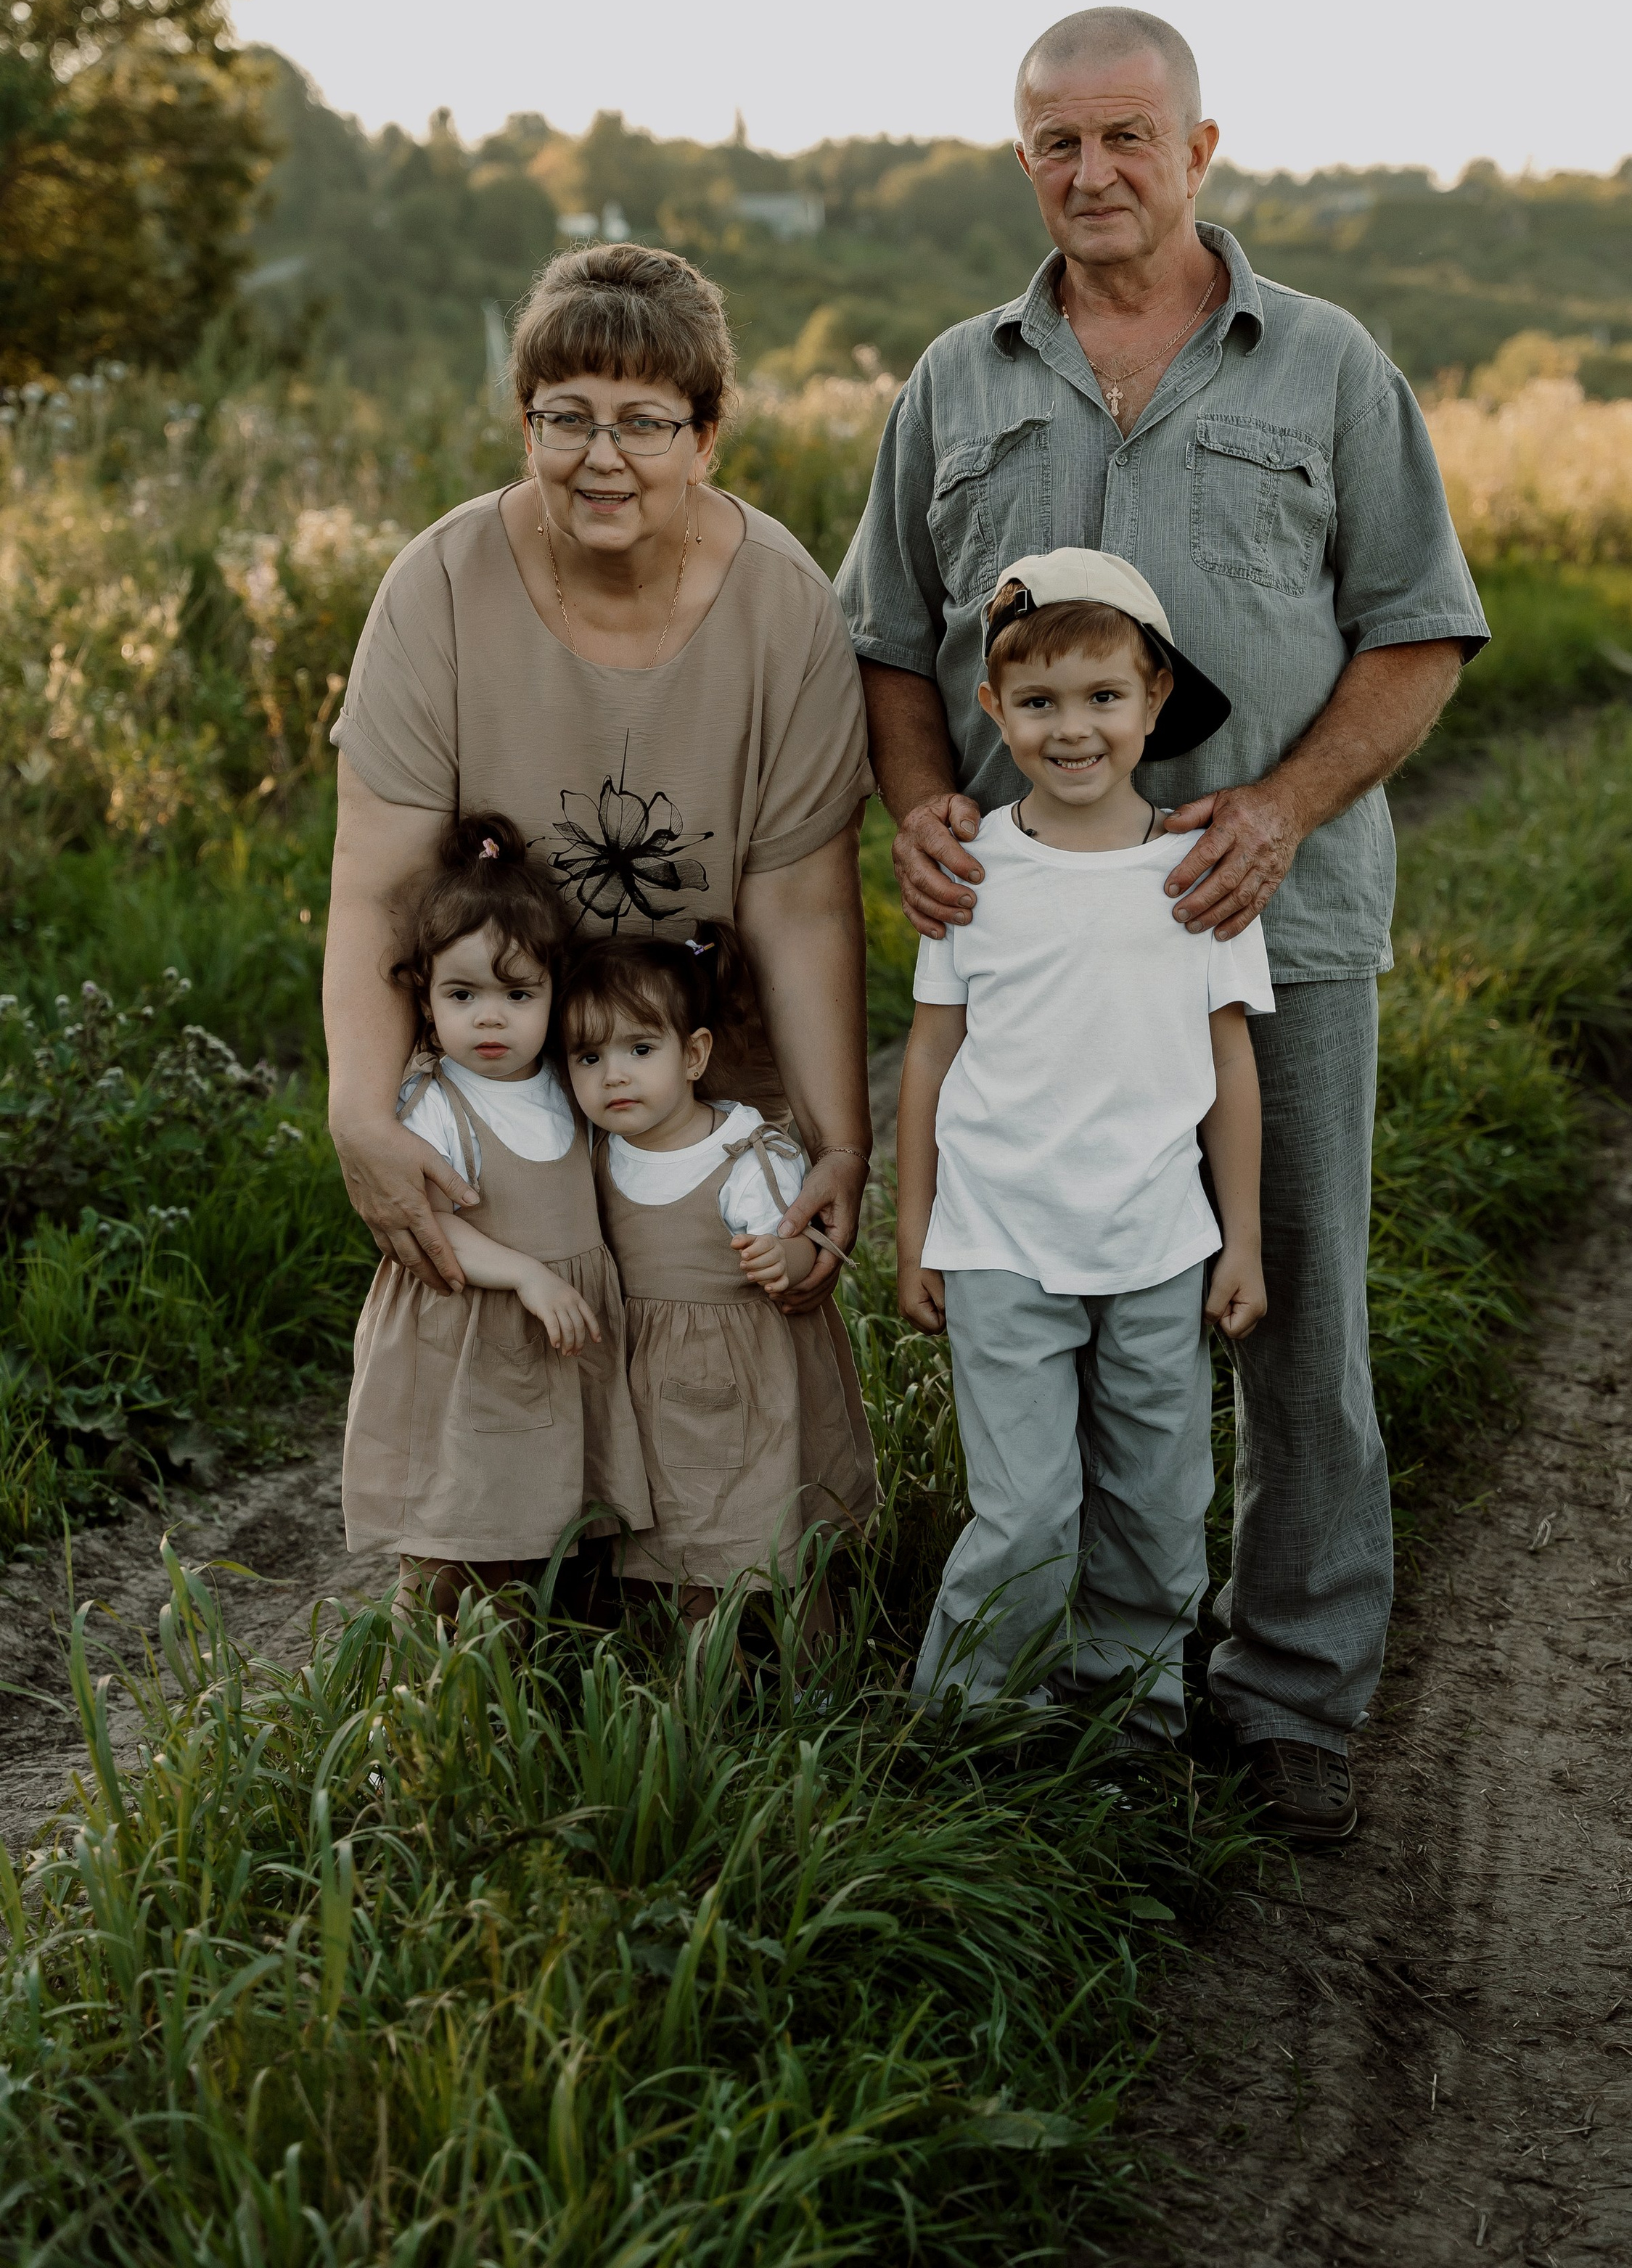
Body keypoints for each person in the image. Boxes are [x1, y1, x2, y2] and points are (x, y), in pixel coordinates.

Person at [837, 7, 1489, 1840]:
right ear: (1018, 157)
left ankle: (1284, 1692)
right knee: (1049, 1288)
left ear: (1200, 148)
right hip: (1027, 956)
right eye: (1054, 142)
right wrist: (911, 809)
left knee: (1290, 1308)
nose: (1090, 172)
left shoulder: (1327, 369)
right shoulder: (954, 383)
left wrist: (1278, 806)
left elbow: (1419, 627)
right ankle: (1080, 1683)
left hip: (1258, 923)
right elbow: (885, 640)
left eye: (1127, 136)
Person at [324, 241, 876, 1325]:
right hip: (500, 1070)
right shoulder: (438, 585)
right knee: (511, 1392)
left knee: (708, 1409)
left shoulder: (787, 608)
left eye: (644, 422)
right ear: (525, 424)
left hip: (693, 1078)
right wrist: (360, 1115)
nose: (601, 458)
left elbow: (802, 909)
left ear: (707, 437)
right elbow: (380, 890)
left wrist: (841, 1143)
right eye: (565, 418)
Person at [895, 553, 1271, 1743]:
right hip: (1003, 1238)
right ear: (993, 710)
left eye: (1104, 697)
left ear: (1155, 699)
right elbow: (927, 1058)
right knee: (1027, 1512)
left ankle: (1130, 1733)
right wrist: (916, 1231)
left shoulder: (1195, 876)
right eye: (1040, 702)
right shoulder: (971, 876)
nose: (1074, 730)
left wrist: (1242, 1239)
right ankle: (970, 1733)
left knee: (1158, 1509)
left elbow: (1229, 1071)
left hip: (1160, 1242)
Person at [342, 812, 652, 1622]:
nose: (489, 1018)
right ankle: (439, 1673)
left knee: (559, 1507)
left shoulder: (572, 1084)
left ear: (554, 991)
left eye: (518, 995)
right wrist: (524, 1273)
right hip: (473, 1335)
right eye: (462, 994)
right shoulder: (433, 1100)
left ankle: (558, 1649)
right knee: (468, 1509)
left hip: (562, 1334)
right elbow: (429, 1223)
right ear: (425, 994)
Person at [565, 926, 876, 1633]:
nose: (613, 1074)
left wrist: (782, 1257)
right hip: (646, 1390)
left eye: (639, 1050)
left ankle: (814, 1672)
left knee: (770, 1530)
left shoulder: (742, 1152)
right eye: (589, 1056)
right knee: (680, 1540)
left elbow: (805, 1246)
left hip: (744, 1388)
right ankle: (707, 1679)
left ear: (694, 1053)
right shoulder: (596, 1158)